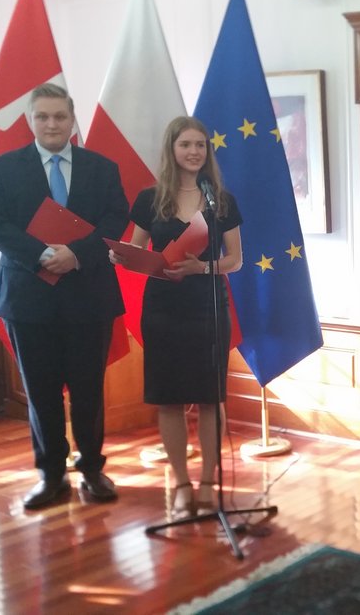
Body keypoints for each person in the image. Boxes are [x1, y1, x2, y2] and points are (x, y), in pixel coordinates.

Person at [0, 82, 127, 509]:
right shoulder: (6, 167)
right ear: (31, 120)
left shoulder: (101, 168)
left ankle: (93, 470)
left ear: (72, 119)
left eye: (59, 116)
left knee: (88, 390)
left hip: (88, 296)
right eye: (42, 116)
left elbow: (116, 218)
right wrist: (41, 255)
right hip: (28, 298)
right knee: (41, 391)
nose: (51, 124)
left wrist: (75, 254)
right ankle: (51, 476)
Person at [112, 116, 243, 516]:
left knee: (209, 398)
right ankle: (183, 483)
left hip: (208, 306)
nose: (193, 151)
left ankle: (208, 483)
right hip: (163, 308)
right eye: (186, 144)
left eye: (200, 145)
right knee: (168, 399)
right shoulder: (150, 199)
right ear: (172, 149)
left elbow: (235, 260)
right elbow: (135, 251)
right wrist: (123, 256)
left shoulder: (221, 200)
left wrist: (201, 268)